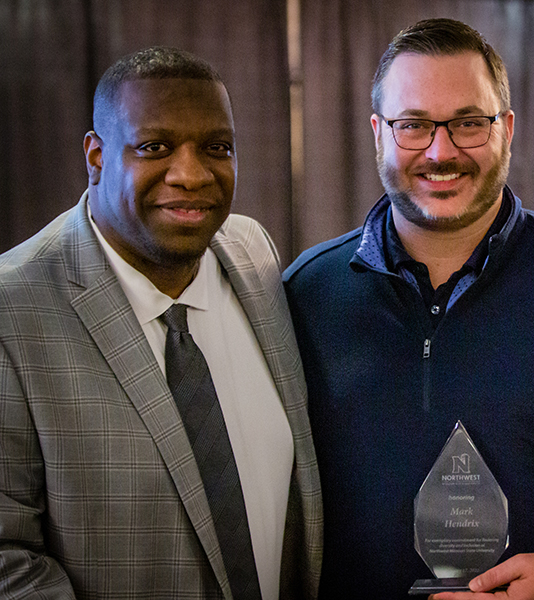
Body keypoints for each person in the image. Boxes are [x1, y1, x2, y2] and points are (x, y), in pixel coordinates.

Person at [283, 18, 534, 600]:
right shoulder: (306, 296)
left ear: (507, 129)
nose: (441, 152)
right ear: (377, 134)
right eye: (413, 126)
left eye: (469, 124)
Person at [0, 47, 322, 599]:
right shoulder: (14, 309)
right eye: (155, 147)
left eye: (217, 148)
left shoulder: (252, 252)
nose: (192, 175)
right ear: (96, 156)